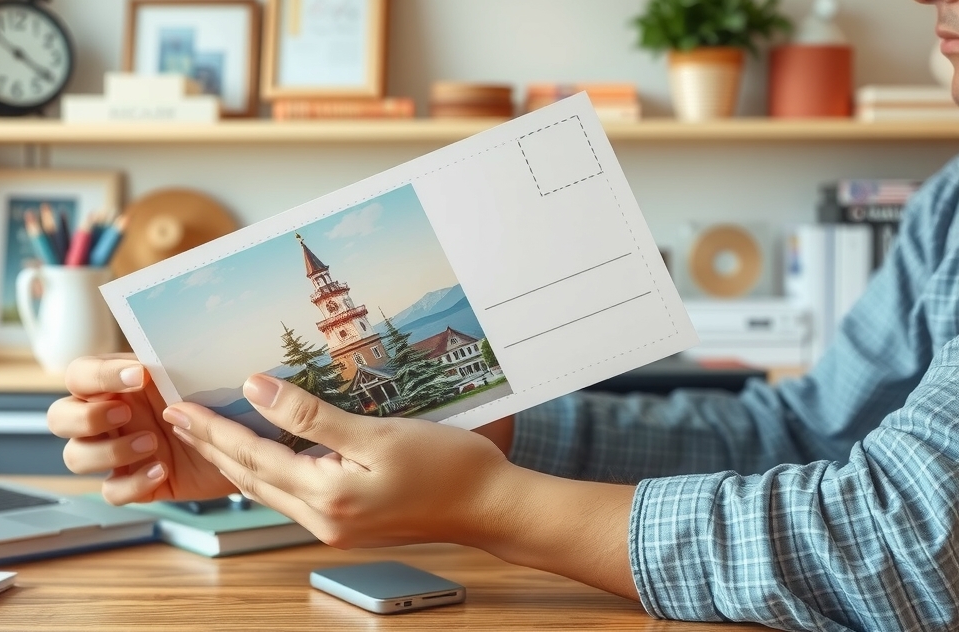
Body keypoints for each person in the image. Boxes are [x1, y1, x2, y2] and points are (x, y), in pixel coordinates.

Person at [48, 2, 959, 629]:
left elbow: (906, 545)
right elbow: (799, 431)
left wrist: (485, 503)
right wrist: (450, 431)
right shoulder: (948, 204)